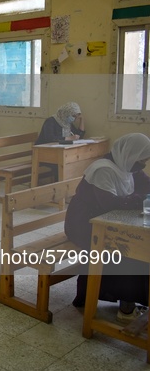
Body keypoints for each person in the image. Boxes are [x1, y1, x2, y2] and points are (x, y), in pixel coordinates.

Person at [66, 133, 150, 322]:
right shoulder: (103, 169)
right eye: (142, 159)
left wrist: (140, 197)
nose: (143, 163)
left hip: (104, 220)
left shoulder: (127, 165)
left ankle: (132, 299)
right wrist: (140, 199)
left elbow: (146, 185)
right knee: (128, 248)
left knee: (138, 245)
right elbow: (110, 204)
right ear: (130, 153)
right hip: (84, 224)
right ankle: (126, 306)